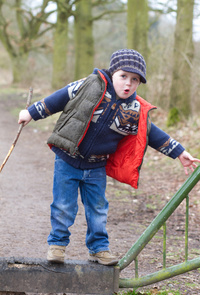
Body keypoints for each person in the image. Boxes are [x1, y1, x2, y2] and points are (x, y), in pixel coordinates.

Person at [18, 49, 200, 266]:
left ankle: (99, 249)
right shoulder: (89, 85)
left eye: (135, 80)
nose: (128, 84)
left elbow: (151, 134)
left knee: (98, 208)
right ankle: (57, 245)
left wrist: (179, 152)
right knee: (63, 205)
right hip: (67, 158)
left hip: (96, 167)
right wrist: (31, 112)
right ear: (112, 73)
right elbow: (59, 98)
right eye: (123, 76)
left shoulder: (134, 109)